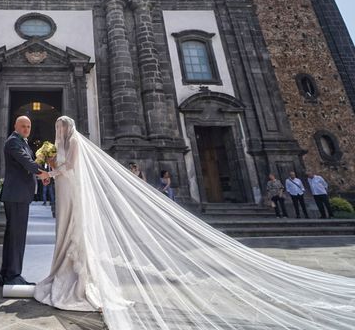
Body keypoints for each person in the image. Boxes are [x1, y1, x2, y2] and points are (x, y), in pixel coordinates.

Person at [31, 116, 355, 329]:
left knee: (76, 230)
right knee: (71, 232)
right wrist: (50, 170)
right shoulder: (61, 143)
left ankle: (77, 275)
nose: (59, 130)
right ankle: (68, 271)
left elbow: (70, 166)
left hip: (68, 186)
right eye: (59, 127)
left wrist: (50, 171)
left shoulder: (72, 144)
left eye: (62, 126)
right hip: (64, 189)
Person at [0, 116, 49, 286]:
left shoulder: (22, 142)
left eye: (28, 126)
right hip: (16, 195)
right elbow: (26, 162)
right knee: (16, 236)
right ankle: (13, 275)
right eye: (23, 126)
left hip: (18, 195)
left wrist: (42, 176)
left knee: (13, 236)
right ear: (15, 126)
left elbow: (30, 163)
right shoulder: (14, 142)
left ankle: (6, 274)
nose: (26, 129)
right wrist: (43, 173)